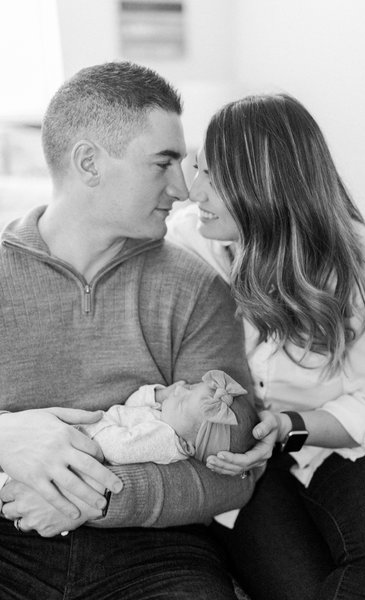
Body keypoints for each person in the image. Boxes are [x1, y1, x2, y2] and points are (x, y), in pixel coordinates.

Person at [0, 62, 258, 600]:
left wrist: (98, 494)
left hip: (153, 550)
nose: (184, 187)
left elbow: (231, 468)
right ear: (89, 162)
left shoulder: (197, 289)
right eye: (163, 163)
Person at [167, 93, 365, 600]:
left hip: (327, 443)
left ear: (265, 185)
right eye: (196, 168)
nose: (192, 190)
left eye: (213, 177)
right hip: (234, 461)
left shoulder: (363, 269)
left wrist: (289, 428)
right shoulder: (184, 249)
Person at [79, 370, 252, 465]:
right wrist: (157, 396)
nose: (179, 389)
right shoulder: (167, 419)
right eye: (190, 388)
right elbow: (128, 408)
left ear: (187, 445)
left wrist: (93, 425)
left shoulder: (163, 439)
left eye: (182, 402)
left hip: (86, 442)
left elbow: (115, 449)